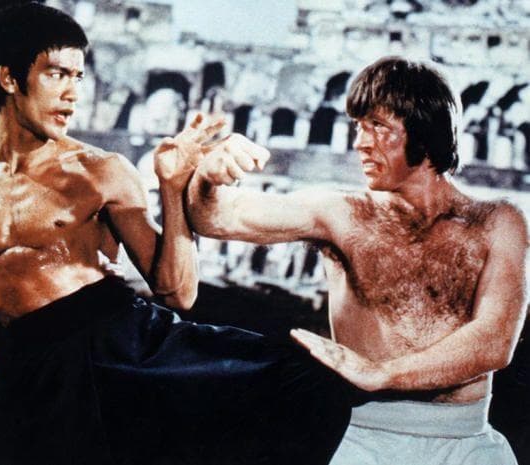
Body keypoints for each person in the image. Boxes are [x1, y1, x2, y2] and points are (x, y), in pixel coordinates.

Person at [0, 3, 350, 464]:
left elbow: (178, 293)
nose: (72, 94)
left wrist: (173, 187)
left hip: (127, 342)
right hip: (41, 367)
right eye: (57, 75)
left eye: (79, 77)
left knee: (308, 383)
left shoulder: (101, 171)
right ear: (9, 78)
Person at [187, 56, 528, 464]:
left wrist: (383, 374)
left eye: (377, 126)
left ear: (425, 130)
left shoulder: (498, 222)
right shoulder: (341, 213)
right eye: (358, 126)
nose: (360, 143)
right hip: (363, 439)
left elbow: (494, 341)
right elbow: (215, 218)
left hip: (467, 442)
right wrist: (207, 178)